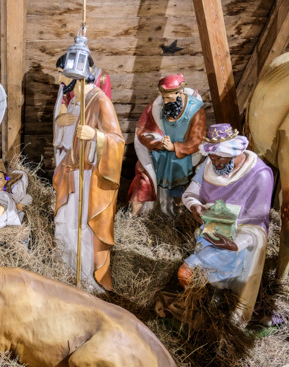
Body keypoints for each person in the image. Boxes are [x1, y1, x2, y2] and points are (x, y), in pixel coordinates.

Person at [178, 123, 274, 322]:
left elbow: (258, 223)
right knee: (203, 281)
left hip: (238, 244)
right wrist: (195, 206)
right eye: (211, 157)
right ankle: (208, 306)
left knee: (187, 273)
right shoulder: (209, 164)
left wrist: (235, 244)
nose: (215, 163)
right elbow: (191, 193)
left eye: (220, 158)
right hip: (210, 233)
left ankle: (216, 308)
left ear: (235, 152)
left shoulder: (260, 175)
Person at [53, 68, 125, 291]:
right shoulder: (76, 100)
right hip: (71, 173)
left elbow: (117, 141)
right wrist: (61, 124)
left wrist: (95, 136)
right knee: (67, 223)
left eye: (64, 76)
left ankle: (86, 280)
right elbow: (65, 140)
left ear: (77, 79)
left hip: (88, 178)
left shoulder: (100, 100)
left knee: (83, 226)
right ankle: (66, 272)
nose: (60, 80)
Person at [128, 74, 206, 216]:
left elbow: (197, 139)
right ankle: (142, 212)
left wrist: (174, 147)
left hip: (182, 154)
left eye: (170, 97)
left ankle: (178, 209)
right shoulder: (157, 106)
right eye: (164, 98)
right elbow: (143, 130)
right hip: (158, 150)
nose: (166, 101)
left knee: (176, 180)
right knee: (142, 173)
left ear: (180, 92)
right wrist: (158, 142)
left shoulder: (195, 110)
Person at [53, 54, 111, 167]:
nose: (60, 79)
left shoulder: (101, 79)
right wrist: (60, 121)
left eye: (61, 73)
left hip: (89, 129)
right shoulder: (69, 84)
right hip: (71, 122)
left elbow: (105, 113)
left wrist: (95, 132)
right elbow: (64, 101)